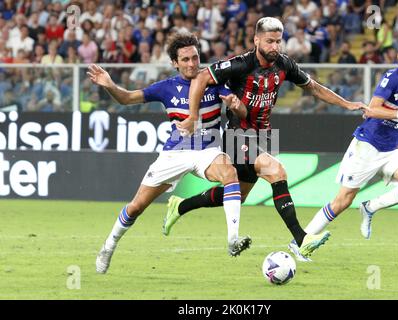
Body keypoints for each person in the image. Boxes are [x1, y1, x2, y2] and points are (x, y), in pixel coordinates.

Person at [168, 17, 367, 262]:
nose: (275, 46)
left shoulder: (284, 65)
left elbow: (313, 87)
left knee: (238, 195)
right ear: (256, 40)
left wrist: (346, 104)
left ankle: (179, 206)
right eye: (270, 41)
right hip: (236, 134)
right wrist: (193, 116)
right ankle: (301, 240)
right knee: (277, 171)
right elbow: (200, 79)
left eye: (278, 41)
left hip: (263, 135)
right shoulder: (239, 64)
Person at [88, 32, 250, 274]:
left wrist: (238, 108)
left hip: (208, 149)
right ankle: (109, 245)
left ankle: (232, 239)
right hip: (175, 153)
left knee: (230, 173)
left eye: (195, 58)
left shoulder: (213, 82)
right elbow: (126, 99)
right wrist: (110, 85)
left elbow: (243, 113)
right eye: (185, 59)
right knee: (135, 207)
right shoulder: (165, 88)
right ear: (175, 63)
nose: (192, 64)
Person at [303, 40, 398, 240]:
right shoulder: (391, 77)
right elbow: (371, 110)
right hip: (368, 145)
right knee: (343, 200)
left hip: (389, 149)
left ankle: (370, 207)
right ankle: (301, 239)